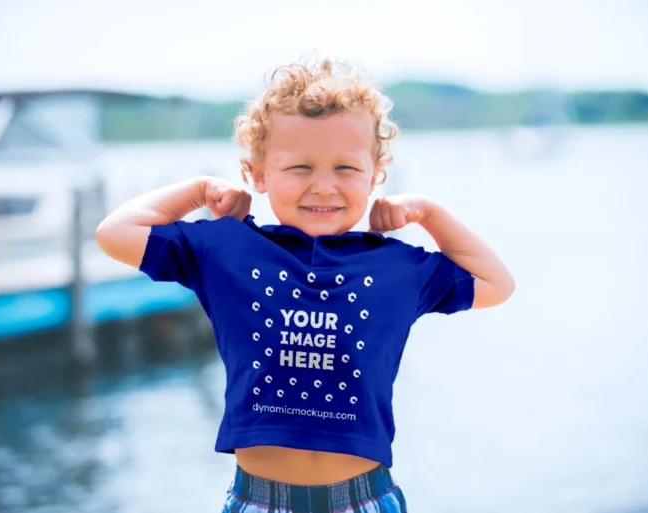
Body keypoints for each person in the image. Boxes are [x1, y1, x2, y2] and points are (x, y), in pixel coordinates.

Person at [96, 57, 515, 513]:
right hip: (259, 501)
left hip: (364, 498)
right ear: (257, 174)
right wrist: (197, 192)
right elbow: (114, 234)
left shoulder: (398, 266)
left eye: (345, 169)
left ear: (375, 175)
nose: (323, 186)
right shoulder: (226, 250)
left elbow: (496, 283)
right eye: (299, 167)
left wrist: (429, 214)